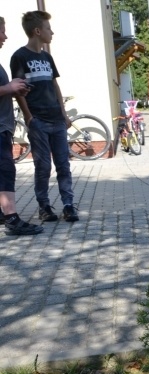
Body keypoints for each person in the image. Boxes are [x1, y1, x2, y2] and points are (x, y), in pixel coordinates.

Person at [11, 10, 79, 223]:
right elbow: (19, 90)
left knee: (63, 164)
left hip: (57, 121)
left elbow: (55, 85)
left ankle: (68, 205)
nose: (52, 32)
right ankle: (44, 207)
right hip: (38, 121)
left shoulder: (47, 57)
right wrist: (29, 118)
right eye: (48, 28)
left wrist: (64, 114)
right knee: (43, 166)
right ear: (37, 31)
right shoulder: (20, 57)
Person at [0, 15, 40, 235]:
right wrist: (8, 88)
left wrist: (15, 88)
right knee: (6, 170)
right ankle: (12, 218)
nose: (5, 36)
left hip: (3, 126)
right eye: (2, 31)